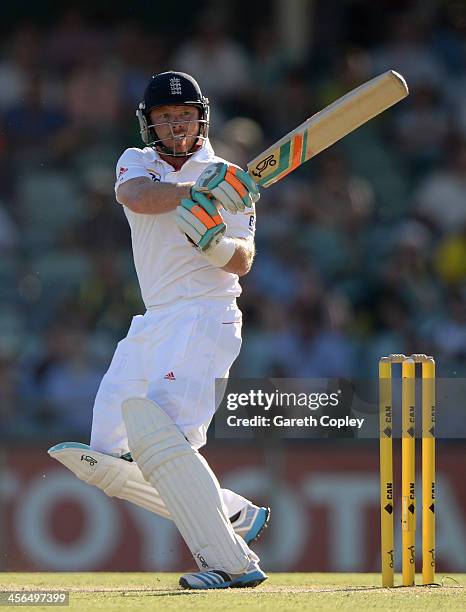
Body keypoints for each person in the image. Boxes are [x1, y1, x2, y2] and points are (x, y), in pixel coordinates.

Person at [49, 71, 269, 589]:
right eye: (165, 118)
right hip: (154, 317)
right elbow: (137, 198)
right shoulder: (137, 162)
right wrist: (197, 190)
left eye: (185, 116)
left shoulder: (230, 174)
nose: (176, 126)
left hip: (205, 314)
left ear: (201, 119)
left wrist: (218, 247)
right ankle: (233, 511)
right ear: (149, 123)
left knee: (163, 438)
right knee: (106, 454)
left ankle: (231, 563)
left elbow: (244, 258)